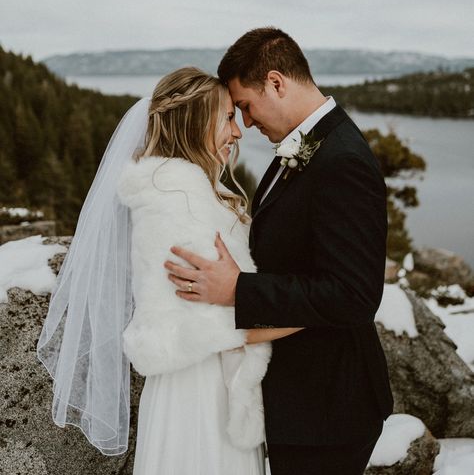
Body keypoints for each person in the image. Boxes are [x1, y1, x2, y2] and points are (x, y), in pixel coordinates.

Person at [37, 66, 302, 474]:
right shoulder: (173, 197)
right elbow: (205, 322)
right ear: (195, 123)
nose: (238, 132)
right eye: (228, 118)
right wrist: (311, 313)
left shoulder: (193, 190)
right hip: (196, 395)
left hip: (214, 384)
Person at [165, 29, 394, 475]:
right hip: (302, 401)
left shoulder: (341, 159)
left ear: (275, 82)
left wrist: (238, 290)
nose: (245, 124)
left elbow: (354, 295)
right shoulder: (303, 145)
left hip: (328, 408)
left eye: (246, 106)